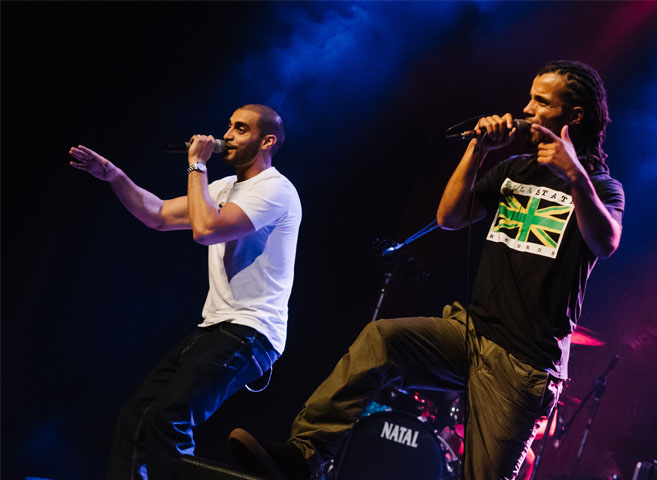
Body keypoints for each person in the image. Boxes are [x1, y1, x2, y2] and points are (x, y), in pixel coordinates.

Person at [230, 60, 624, 480]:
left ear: (575, 116)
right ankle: (302, 457)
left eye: (541, 102)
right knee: (382, 339)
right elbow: (450, 216)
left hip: (524, 363)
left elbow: (606, 242)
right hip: (471, 333)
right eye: (529, 97)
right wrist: (478, 150)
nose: (526, 109)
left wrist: (576, 176)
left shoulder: (601, 186)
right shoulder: (514, 169)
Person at [69, 104, 301, 480]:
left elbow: (206, 229)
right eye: (228, 126)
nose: (227, 135)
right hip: (216, 326)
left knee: (170, 417)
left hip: (251, 330)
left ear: (267, 141)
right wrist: (113, 175)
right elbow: (158, 215)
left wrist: (197, 164)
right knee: (136, 420)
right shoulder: (225, 187)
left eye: (240, 129)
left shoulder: (275, 189)